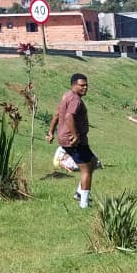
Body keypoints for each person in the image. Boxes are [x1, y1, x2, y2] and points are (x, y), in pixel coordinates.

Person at [46, 73, 96, 209]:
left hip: (65, 138)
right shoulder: (76, 100)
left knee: (92, 162)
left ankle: (80, 193)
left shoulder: (66, 96)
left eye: (86, 85)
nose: (85, 88)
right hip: (73, 140)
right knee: (86, 170)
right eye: (82, 85)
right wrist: (75, 135)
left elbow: (57, 114)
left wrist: (50, 132)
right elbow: (69, 117)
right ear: (73, 85)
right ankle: (83, 203)